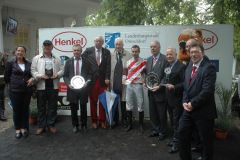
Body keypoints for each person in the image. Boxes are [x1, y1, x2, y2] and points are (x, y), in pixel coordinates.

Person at [178, 43, 217, 160]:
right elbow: (186, 87)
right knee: (182, 135)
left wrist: (192, 104)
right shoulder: (189, 66)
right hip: (188, 110)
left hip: (203, 112)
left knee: (206, 141)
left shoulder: (209, 67)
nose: (193, 54)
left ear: (203, 53)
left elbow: (207, 91)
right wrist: (184, 101)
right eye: (191, 52)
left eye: (196, 52)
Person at [31, 40, 63, 135]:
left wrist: (57, 75)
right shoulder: (36, 58)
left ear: (52, 47)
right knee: (41, 107)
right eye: (45, 46)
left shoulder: (57, 58)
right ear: (43, 47)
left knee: (52, 107)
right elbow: (33, 70)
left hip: (53, 86)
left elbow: (62, 70)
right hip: (41, 86)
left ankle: (51, 125)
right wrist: (40, 75)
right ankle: (41, 126)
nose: (47, 47)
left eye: (49, 46)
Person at [4, 46, 34, 139]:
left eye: (22, 51)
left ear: (25, 53)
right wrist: (15, 84)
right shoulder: (10, 63)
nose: (20, 52)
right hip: (15, 91)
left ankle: (24, 128)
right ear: (15, 52)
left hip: (26, 91)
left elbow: (32, 74)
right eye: (18, 50)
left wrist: (32, 79)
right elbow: (6, 77)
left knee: (25, 110)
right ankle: (18, 129)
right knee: (17, 111)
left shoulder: (29, 63)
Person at [82, 36, 111, 129]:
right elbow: (82, 60)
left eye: (100, 41)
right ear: (94, 41)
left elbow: (108, 66)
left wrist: (107, 77)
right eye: (96, 41)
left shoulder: (106, 52)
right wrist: (87, 74)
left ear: (102, 42)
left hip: (103, 81)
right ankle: (94, 121)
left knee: (102, 101)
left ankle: (102, 121)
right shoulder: (88, 50)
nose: (98, 42)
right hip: (92, 81)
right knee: (93, 102)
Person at [63, 44, 92, 133]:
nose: (76, 52)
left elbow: (90, 74)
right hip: (72, 89)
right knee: (73, 108)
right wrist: (68, 84)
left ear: (81, 51)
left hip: (83, 89)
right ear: (73, 51)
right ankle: (75, 125)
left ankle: (84, 125)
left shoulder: (87, 61)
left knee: (83, 108)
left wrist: (87, 82)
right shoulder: (68, 62)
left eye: (78, 50)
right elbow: (65, 76)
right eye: (75, 50)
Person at [162, 47, 185, 153]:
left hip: (177, 100)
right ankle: (175, 139)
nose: (168, 56)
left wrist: (174, 87)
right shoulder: (167, 65)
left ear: (176, 54)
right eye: (167, 55)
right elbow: (165, 78)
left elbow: (185, 84)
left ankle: (178, 143)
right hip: (168, 98)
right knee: (172, 121)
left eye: (171, 54)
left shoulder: (181, 66)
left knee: (177, 122)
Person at [145, 40, 168, 140]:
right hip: (151, 92)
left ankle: (163, 132)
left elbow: (167, 75)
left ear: (159, 47)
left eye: (154, 47)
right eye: (151, 47)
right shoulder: (148, 59)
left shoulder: (165, 59)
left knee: (161, 113)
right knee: (153, 112)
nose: (152, 48)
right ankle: (155, 130)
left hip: (161, 91)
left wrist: (160, 85)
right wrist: (145, 82)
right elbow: (147, 75)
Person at [110, 37, 131, 127]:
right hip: (113, 82)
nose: (118, 46)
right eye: (116, 44)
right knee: (114, 101)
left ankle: (124, 120)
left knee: (123, 102)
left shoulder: (129, 55)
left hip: (124, 83)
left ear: (123, 45)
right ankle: (115, 120)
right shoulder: (111, 55)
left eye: (120, 44)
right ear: (114, 45)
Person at [125, 45, 146, 132]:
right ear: (131, 52)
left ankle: (141, 124)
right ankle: (130, 124)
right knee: (129, 104)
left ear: (139, 51)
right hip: (129, 85)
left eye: (136, 51)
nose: (134, 53)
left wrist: (144, 82)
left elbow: (145, 74)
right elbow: (125, 73)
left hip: (138, 85)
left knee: (140, 104)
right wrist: (124, 80)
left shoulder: (143, 62)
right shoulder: (128, 62)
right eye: (133, 51)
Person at [0, 52, 8, 121]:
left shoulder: (2, 57)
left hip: (1, 83)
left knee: (1, 99)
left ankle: (1, 113)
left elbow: (6, 71)